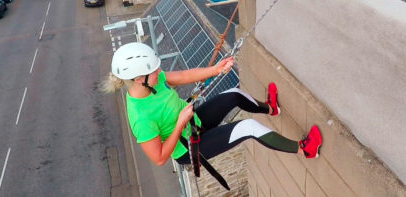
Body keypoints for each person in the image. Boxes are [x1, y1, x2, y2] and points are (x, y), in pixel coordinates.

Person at [104, 42, 322, 176]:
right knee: (248, 127)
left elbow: (184, 76)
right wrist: (180, 122)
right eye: (154, 70)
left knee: (234, 95)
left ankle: (271, 109)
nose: (159, 70)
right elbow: (159, 158)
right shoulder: (140, 119)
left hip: (194, 122)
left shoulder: (154, 80)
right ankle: (305, 150)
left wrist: (215, 70)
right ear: (138, 79)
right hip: (188, 147)